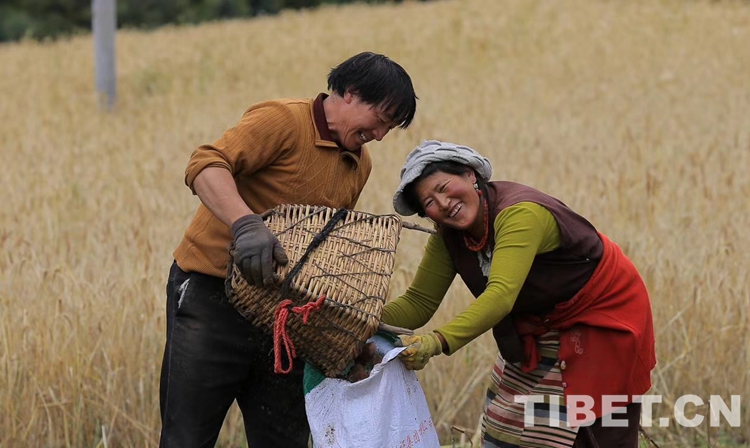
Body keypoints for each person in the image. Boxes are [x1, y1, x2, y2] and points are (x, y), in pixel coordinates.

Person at [159, 52, 418, 448]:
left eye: (389, 128)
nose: (380, 135)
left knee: (286, 441)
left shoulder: (359, 164)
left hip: (286, 319)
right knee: (187, 437)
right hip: (212, 301)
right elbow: (206, 163)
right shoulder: (283, 119)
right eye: (380, 119)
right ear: (350, 93)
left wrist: (344, 335)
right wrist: (245, 224)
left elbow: (326, 251)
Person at [383, 140, 656, 448]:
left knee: (595, 427)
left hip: (602, 317)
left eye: (444, 187)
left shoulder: (519, 214)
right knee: (507, 428)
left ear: (470, 175)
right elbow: (418, 303)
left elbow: (501, 295)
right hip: (539, 322)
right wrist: (361, 320)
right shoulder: (449, 238)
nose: (444, 203)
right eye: (430, 202)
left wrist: (436, 342)